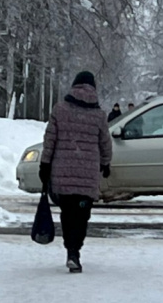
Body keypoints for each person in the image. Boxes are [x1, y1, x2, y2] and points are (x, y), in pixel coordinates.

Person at [39, 71, 113, 273]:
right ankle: (75, 251)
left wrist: (45, 164)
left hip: (62, 172)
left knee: (67, 212)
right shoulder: (98, 115)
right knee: (81, 215)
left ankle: (70, 250)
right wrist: (106, 163)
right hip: (87, 174)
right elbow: (105, 143)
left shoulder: (60, 109)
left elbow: (50, 140)